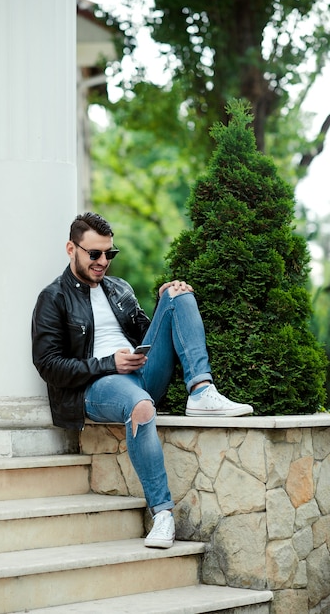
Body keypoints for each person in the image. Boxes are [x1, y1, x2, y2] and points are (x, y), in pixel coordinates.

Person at [32, 212, 253, 549]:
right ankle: (163, 514)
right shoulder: (54, 298)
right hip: (98, 385)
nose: (103, 261)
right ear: (71, 248)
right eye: (94, 254)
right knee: (140, 406)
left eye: (109, 253)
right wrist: (109, 362)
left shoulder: (119, 288)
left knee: (179, 294)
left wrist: (166, 301)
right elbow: (49, 365)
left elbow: (146, 332)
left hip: (139, 372)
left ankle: (201, 390)